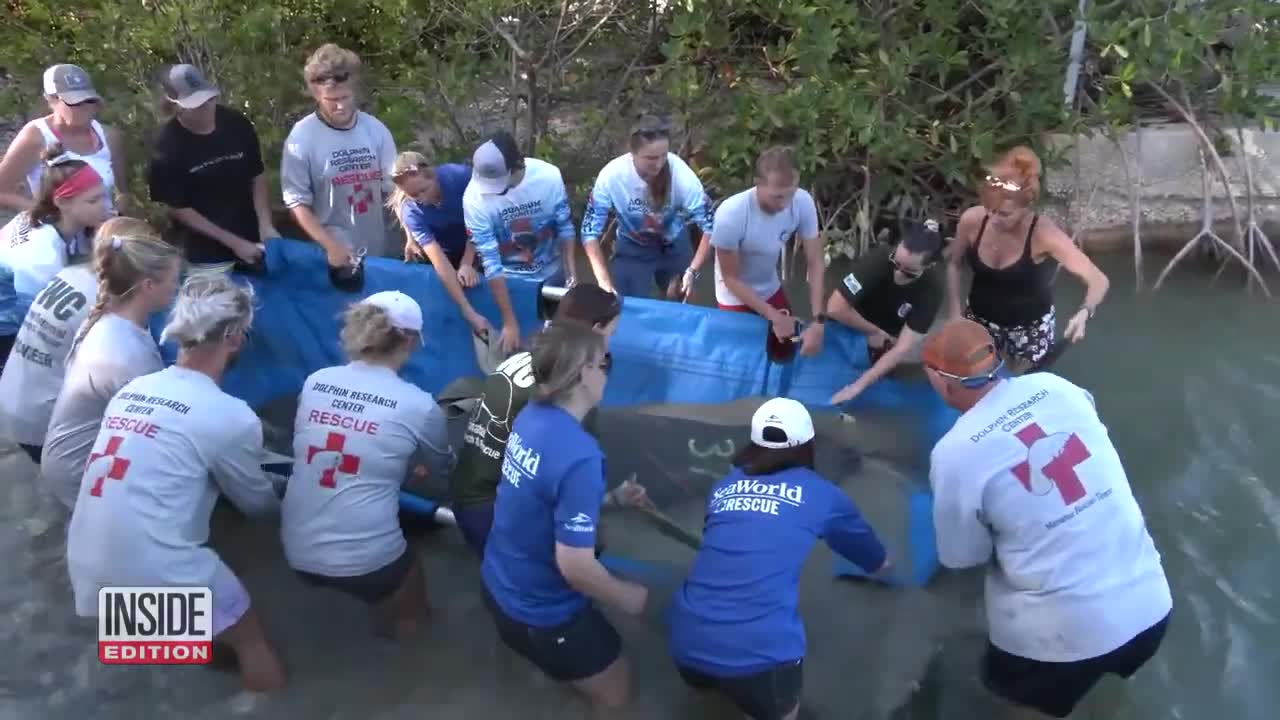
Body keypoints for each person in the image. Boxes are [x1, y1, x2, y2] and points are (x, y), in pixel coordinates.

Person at [923, 319, 1172, 719]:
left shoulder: (954, 454)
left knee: (1003, 698)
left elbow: (962, 558)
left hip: (1057, 645)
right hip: (1152, 611)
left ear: (939, 380)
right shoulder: (1059, 388)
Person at [66, 273, 287, 692]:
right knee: (251, 640)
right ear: (235, 338)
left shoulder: (133, 389)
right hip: (154, 568)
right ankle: (272, 698)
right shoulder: (231, 414)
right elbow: (258, 505)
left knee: (188, 635)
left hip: (89, 567)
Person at [665, 397, 891, 720]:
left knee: (716, 689)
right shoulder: (823, 494)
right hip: (760, 657)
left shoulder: (724, 486)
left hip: (685, 642)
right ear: (807, 445)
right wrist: (885, 566)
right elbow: (874, 559)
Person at [480, 321, 650, 716]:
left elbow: (539, 498)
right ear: (581, 373)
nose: (608, 370)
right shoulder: (581, 455)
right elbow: (575, 568)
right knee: (618, 693)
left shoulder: (530, 417)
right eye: (603, 362)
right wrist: (632, 598)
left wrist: (610, 499)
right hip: (543, 613)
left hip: (498, 584)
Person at [281, 291, 454, 641]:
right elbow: (442, 472)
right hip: (371, 562)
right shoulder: (418, 405)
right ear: (408, 339)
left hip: (296, 550)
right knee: (412, 590)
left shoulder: (316, 381)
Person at [451, 284, 622, 555]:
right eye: (612, 333)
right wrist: (611, 501)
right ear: (598, 330)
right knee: (588, 545)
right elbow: (571, 479)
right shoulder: (567, 385)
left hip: (470, 491)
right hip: (492, 508)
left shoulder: (535, 356)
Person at [41, 219, 181, 510]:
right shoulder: (127, 356)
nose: (176, 287)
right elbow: (160, 434)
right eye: (173, 280)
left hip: (70, 454)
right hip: (81, 467)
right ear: (148, 285)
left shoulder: (110, 320)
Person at [947, 146, 1109, 370]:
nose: (993, 219)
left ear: (1026, 208)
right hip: (979, 321)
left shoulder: (1044, 234)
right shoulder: (972, 220)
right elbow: (954, 265)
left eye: (1003, 214)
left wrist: (1084, 313)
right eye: (989, 209)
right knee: (977, 387)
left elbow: (1099, 280)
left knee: (1024, 394)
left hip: (1030, 332)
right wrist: (955, 314)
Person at [463, 131, 596, 352]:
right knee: (514, 341)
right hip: (509, 280)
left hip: (552, 271)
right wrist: (508, 320)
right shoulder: (473, 198)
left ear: (517, 166)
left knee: (556, 342)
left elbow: (564, 226)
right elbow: (490, 260)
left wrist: (571, 273)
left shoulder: (548, 177)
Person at [147, 64, 279, 271]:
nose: (206, 108)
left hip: (255, 240)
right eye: (196, 105)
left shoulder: (237, 123)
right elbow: (178, 208)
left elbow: (257, 174)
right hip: (206, 255)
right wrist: (233, 242)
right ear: (175, 105)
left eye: (209, 99)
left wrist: (265, 223)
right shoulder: (166, 147)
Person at [0, 217, 109, 463]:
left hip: (15, 399)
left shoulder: (69, 274)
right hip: (42, 422)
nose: (105, 207)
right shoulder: (97, 303)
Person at [281, 44, 398, 267]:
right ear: (316, 95)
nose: (341, 106)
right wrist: (330, 246)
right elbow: (296, 202)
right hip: (332, 254)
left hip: (378, 250)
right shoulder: (302, 137)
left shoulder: (374, 129)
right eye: (331, 100)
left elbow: (394, 189)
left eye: (345, 97)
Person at [0, 145, 111, 371]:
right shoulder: (44, 259)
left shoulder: (34, 216)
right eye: (93, 201)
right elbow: (38, 326)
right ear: (61, 202)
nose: (105, 207)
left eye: (103, 196)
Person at [580, 116, 714, 299]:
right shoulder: (612, 176)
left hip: (673, 242)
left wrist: (693, 270)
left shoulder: (682, 176)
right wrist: (603, 280)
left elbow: (711, 227)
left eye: (663, 156)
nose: (658, 164)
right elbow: (589, 231)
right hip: (633, 245)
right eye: (650, 158)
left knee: (679, 301)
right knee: (625, 304)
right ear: (632, 154)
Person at [711, 146, 826, 360]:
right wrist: (772, 315)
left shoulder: (802, 201)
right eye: (777, 197)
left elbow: (815, 262)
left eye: (790, 194)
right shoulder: (731, 214)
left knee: (787, 347)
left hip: (770, 287)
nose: (785, 205)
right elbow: (730, 278)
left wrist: (818, 320)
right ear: (758, 183)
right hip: (734, 296)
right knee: (744, 359)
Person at [828, 218, 945, 405]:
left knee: (875, 389)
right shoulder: (877, 260)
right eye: (895, 263)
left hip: (886, 339)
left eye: (908, 271)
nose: (897, 274)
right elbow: (835, 308)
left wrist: (858, 386)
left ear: (928, 266)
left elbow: (903, 347)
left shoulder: (933, 290)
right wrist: (872, 330)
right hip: (849, 322)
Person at [0, 64, 125, 215]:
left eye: (89, 100)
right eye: (73, 102)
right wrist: (49, 214)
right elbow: (2, 192)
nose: (84, 108)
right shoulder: (36, 136)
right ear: (51, 100)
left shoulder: (108, 136)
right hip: (56, 233)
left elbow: (122, 191)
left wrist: (119, 213)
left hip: (103, 231)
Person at [387, 152, 488, 336]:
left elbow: (483, 220)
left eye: (423, 190)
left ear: (433, 176)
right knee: (454, 284)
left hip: (477, 236)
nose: (421, 198)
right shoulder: (412, 211)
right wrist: (468, 311)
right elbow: (439, 262)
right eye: (413, 195)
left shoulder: (459, 177)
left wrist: (468, 262)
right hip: (445, 248)